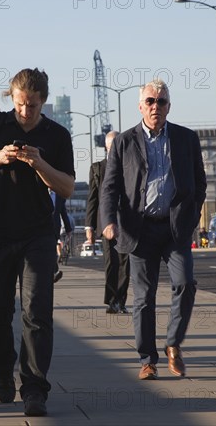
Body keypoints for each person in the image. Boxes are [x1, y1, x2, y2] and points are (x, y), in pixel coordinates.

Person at [0, 68, 75, 417]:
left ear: (44, 101)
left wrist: (39, 163)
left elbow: (67, 187)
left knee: (37, 312)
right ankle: (1, 369)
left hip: (38, 234)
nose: (27, 112)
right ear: (12, 97)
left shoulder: (57, 135)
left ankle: (35, 389)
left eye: (34, 106)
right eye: (22, 104)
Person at [100, 79, 206, 381]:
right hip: (140, 229)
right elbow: (110, 187)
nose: (155, 107)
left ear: (169, 106)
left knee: (185, 283)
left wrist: (193, 214)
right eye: (150, 101)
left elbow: (199, 182)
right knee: (144, 298)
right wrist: (108, 220)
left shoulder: (186, 139)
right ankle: (147, 360)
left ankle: (173, 343)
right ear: (140, 106)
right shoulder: (124, 142)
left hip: (175, 230)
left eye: (161, 102)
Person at [85, 130, 130, 314]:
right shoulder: (98, 168)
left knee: (125, 264)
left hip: (127, 223)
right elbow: (92, 199)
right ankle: (112, 300)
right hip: (106, 223)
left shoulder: (130, 166)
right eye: (112, 146)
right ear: (106, 148)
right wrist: (90, 226)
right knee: (111, 262)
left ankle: (121, 300)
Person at [51, 189, 73, 283]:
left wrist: (68, 229)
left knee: (51, 250)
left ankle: (54, 272)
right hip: (40, 227)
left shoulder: (59, 195)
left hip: (55, 228)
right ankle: (53, 271)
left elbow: (63, 212)